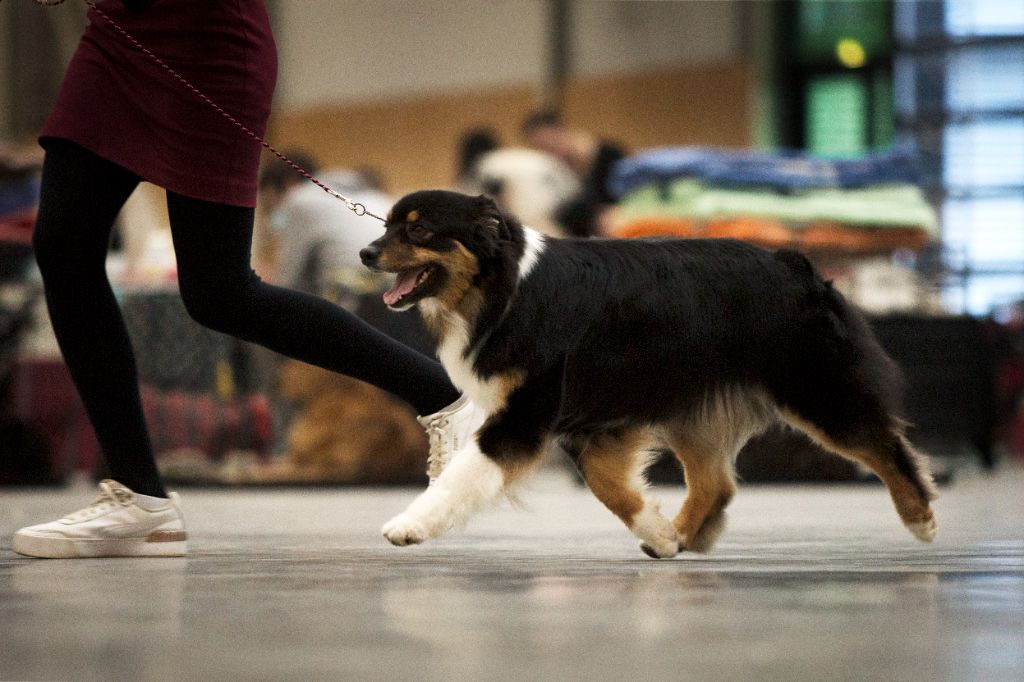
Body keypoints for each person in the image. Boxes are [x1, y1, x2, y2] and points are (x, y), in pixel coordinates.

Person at [12, 0, 485, 559]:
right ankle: (138, 498)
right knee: (63, 244)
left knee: (219, 293)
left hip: (206, 39)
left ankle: (446, 397)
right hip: (117, 34)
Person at [521, 109, 626, 238]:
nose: (550, 151)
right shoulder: (556, 172)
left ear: (563, 131)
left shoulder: (608, 154)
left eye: (552, 142)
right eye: (542, 148)